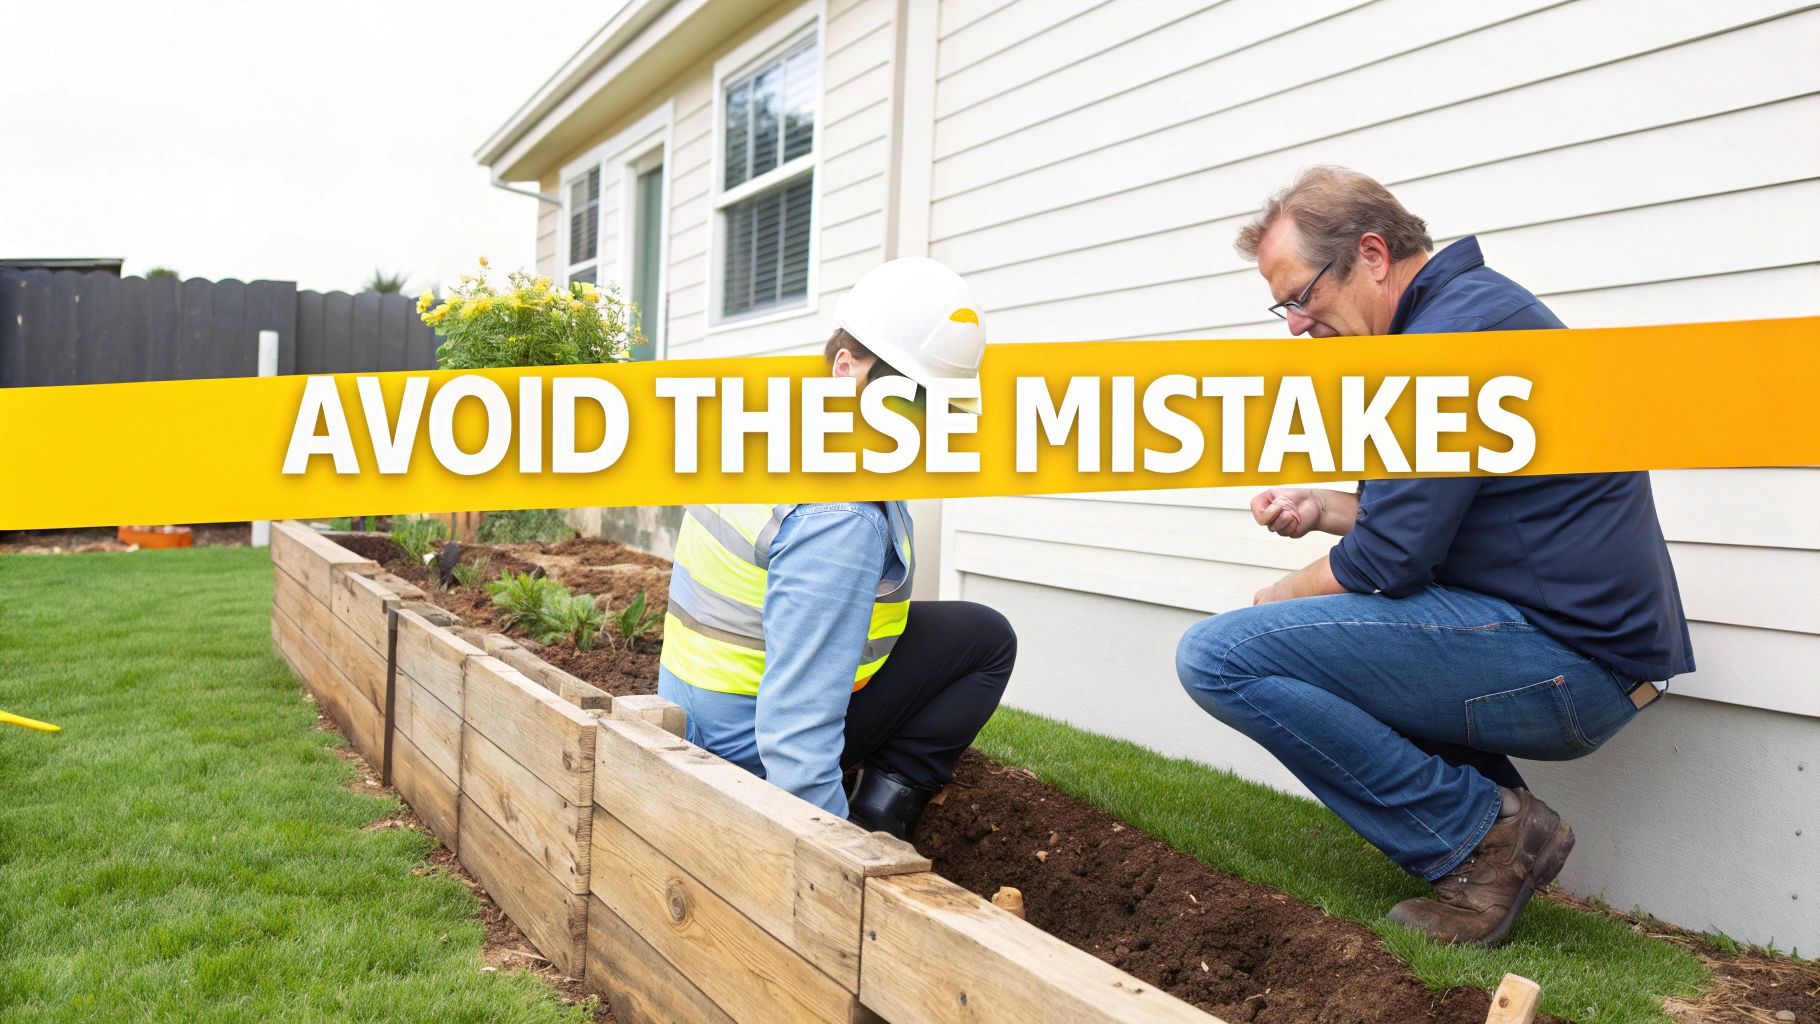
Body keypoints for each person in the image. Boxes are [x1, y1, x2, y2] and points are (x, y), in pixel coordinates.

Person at [1174, 167, 1694, 945]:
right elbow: (1429, 520)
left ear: (1373, 255)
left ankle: (1484, 835)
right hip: (1570, 649)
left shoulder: (1450, 340)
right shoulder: (1464, 318)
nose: (1293, 323)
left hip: (1573, 664)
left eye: (1301, 295)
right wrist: (1323, 509)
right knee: (1298, 640)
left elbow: (1388, 559)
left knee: (1221, 657)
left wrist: (1277, 598)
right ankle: (1496, 834)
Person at [657, 257, 1016, 840]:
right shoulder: (841, 513)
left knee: (978, 635)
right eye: (911, 398)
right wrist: (838, 859)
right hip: (743, 751)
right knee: (986, 646)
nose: (928, 425)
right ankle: (877, 819)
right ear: (849, 369)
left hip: (699, 711)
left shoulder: (775, 426)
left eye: (941, 406)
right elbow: (794, 733)